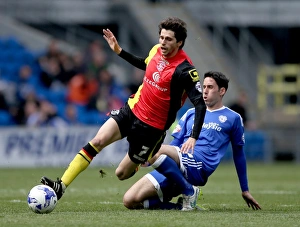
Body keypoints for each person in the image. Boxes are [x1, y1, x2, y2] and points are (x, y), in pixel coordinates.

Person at [40, 17, 206, 206]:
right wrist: (119, 52)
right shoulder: (156, 50)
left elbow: (199, 104)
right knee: (97, 141)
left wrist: (194, 136)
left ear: (180, 42)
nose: (162, 42)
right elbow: (146, 63)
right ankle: (61, 185)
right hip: (132, 110)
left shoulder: (185, 70)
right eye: (161, 37)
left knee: (121, 174)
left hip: (151, 128)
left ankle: (144, 163)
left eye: (168, 39)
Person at [123, 71, 261, 211]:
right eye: (204, 87)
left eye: (210, 87)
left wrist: (245, 189)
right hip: (178, 165)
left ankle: (189, 191)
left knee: (153, 149)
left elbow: (239, 154)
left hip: (198, 167)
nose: (205, 91)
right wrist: (158, 160)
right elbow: (175, 145)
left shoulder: (233, 118)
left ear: (222, 91)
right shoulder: (190, 113)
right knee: (129, 201)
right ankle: (182, 205)